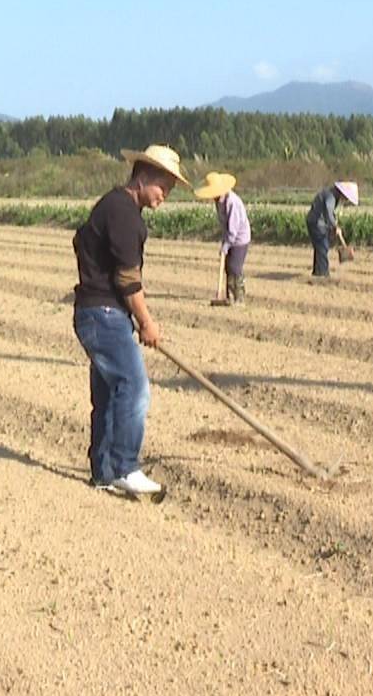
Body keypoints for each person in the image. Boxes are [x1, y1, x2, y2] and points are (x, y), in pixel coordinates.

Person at [72, 144, 190, 497]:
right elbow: (127, 279)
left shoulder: (113, 205)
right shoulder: (124, 214)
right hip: (104, 314)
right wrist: (146, 322)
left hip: (97, 312)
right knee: (134, 388)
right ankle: (126, 466)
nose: (164, 197)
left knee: (109, 393)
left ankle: (104, 471)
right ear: (144, 177)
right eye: (163, 188)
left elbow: (80, 241)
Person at [194, 171, 251, 305]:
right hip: (229, 237)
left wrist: (227, 244)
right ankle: (229, 296)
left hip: (240, 239)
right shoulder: (219, 201)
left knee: (235, 267)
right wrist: (225, 241)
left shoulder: (232, 202)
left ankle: (239, 297)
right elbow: (224, 224)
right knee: (227, 267)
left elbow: (233, 227)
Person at [306, 181, 357, 278]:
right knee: (322, 246)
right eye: (347, 198)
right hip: (316, 222)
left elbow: (330, 213)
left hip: (316, 222)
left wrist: (334, 224)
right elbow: (328, 211)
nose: (346, 200)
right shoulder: (331, 196)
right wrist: (334, 226)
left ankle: (317, 273)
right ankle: (323, 274)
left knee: (321, 248)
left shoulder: (332, 194)